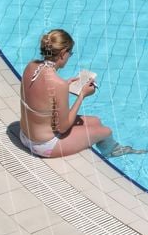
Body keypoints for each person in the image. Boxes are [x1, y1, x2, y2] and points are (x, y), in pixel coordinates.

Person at [18, 29, 141, 158]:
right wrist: (82, 95)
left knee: (96, 121)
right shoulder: (59, 84)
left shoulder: (31, 66)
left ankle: (111, 149)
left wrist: (65, 85)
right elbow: (63, 128)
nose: (69, 56)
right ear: (63, 53)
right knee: (106, 131)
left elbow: (43, 94)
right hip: (43, 145)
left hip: (25, 134)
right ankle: (111, 152)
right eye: (70, 53)